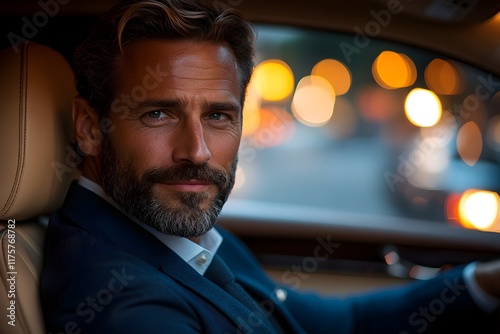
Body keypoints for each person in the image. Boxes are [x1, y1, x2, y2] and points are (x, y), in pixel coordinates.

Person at [40, 0, 500, 333]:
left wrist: (482, 282)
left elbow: (340, 322)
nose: (197, 152)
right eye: (157, 113)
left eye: (218, 116)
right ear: (89, 128)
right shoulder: (126, 304)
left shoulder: (185, 237)